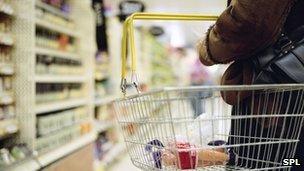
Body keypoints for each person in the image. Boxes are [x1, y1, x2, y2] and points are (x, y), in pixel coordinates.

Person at [198, 0, 304, 170]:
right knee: (293, 161)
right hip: (291, 85)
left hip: (275, 96)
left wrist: (206, 47)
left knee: (267, 162)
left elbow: (245, 22)